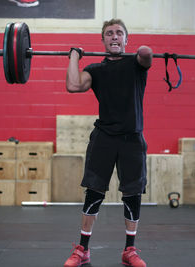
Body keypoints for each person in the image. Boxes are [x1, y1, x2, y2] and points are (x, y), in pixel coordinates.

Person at [64, 18, 152, 267]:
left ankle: (130, 251)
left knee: (132, 194)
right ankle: (82, 249)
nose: (114, 37)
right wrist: (74, 56)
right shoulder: (95, 70)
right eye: (109, 34)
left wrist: (144, 52)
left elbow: (146, 55)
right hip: (104, 138)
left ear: (126, 39)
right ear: (103, 40)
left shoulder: (137, 65)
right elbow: (72, 85)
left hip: (132, 139)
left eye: (119, 33)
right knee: (93, 192)